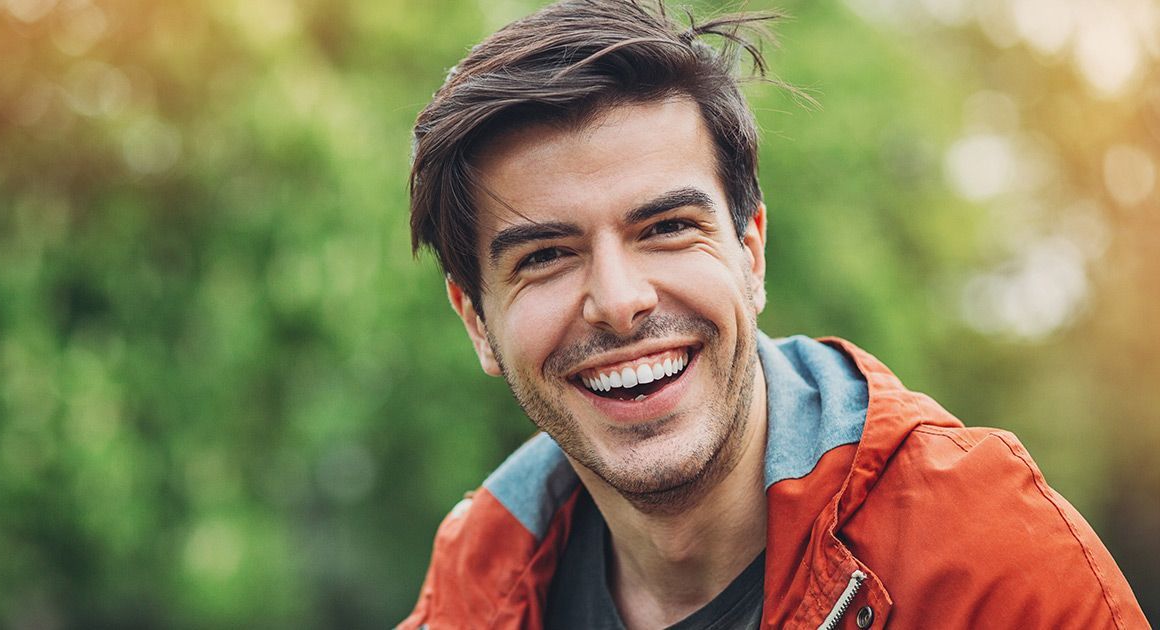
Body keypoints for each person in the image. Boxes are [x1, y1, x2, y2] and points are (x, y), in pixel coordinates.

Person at [398, 1, 1148, 628]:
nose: (621, 301)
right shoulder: (471, 588)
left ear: (750, 255)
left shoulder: (991, 568)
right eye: (547, 257)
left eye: (665, 229)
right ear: (476, 322)